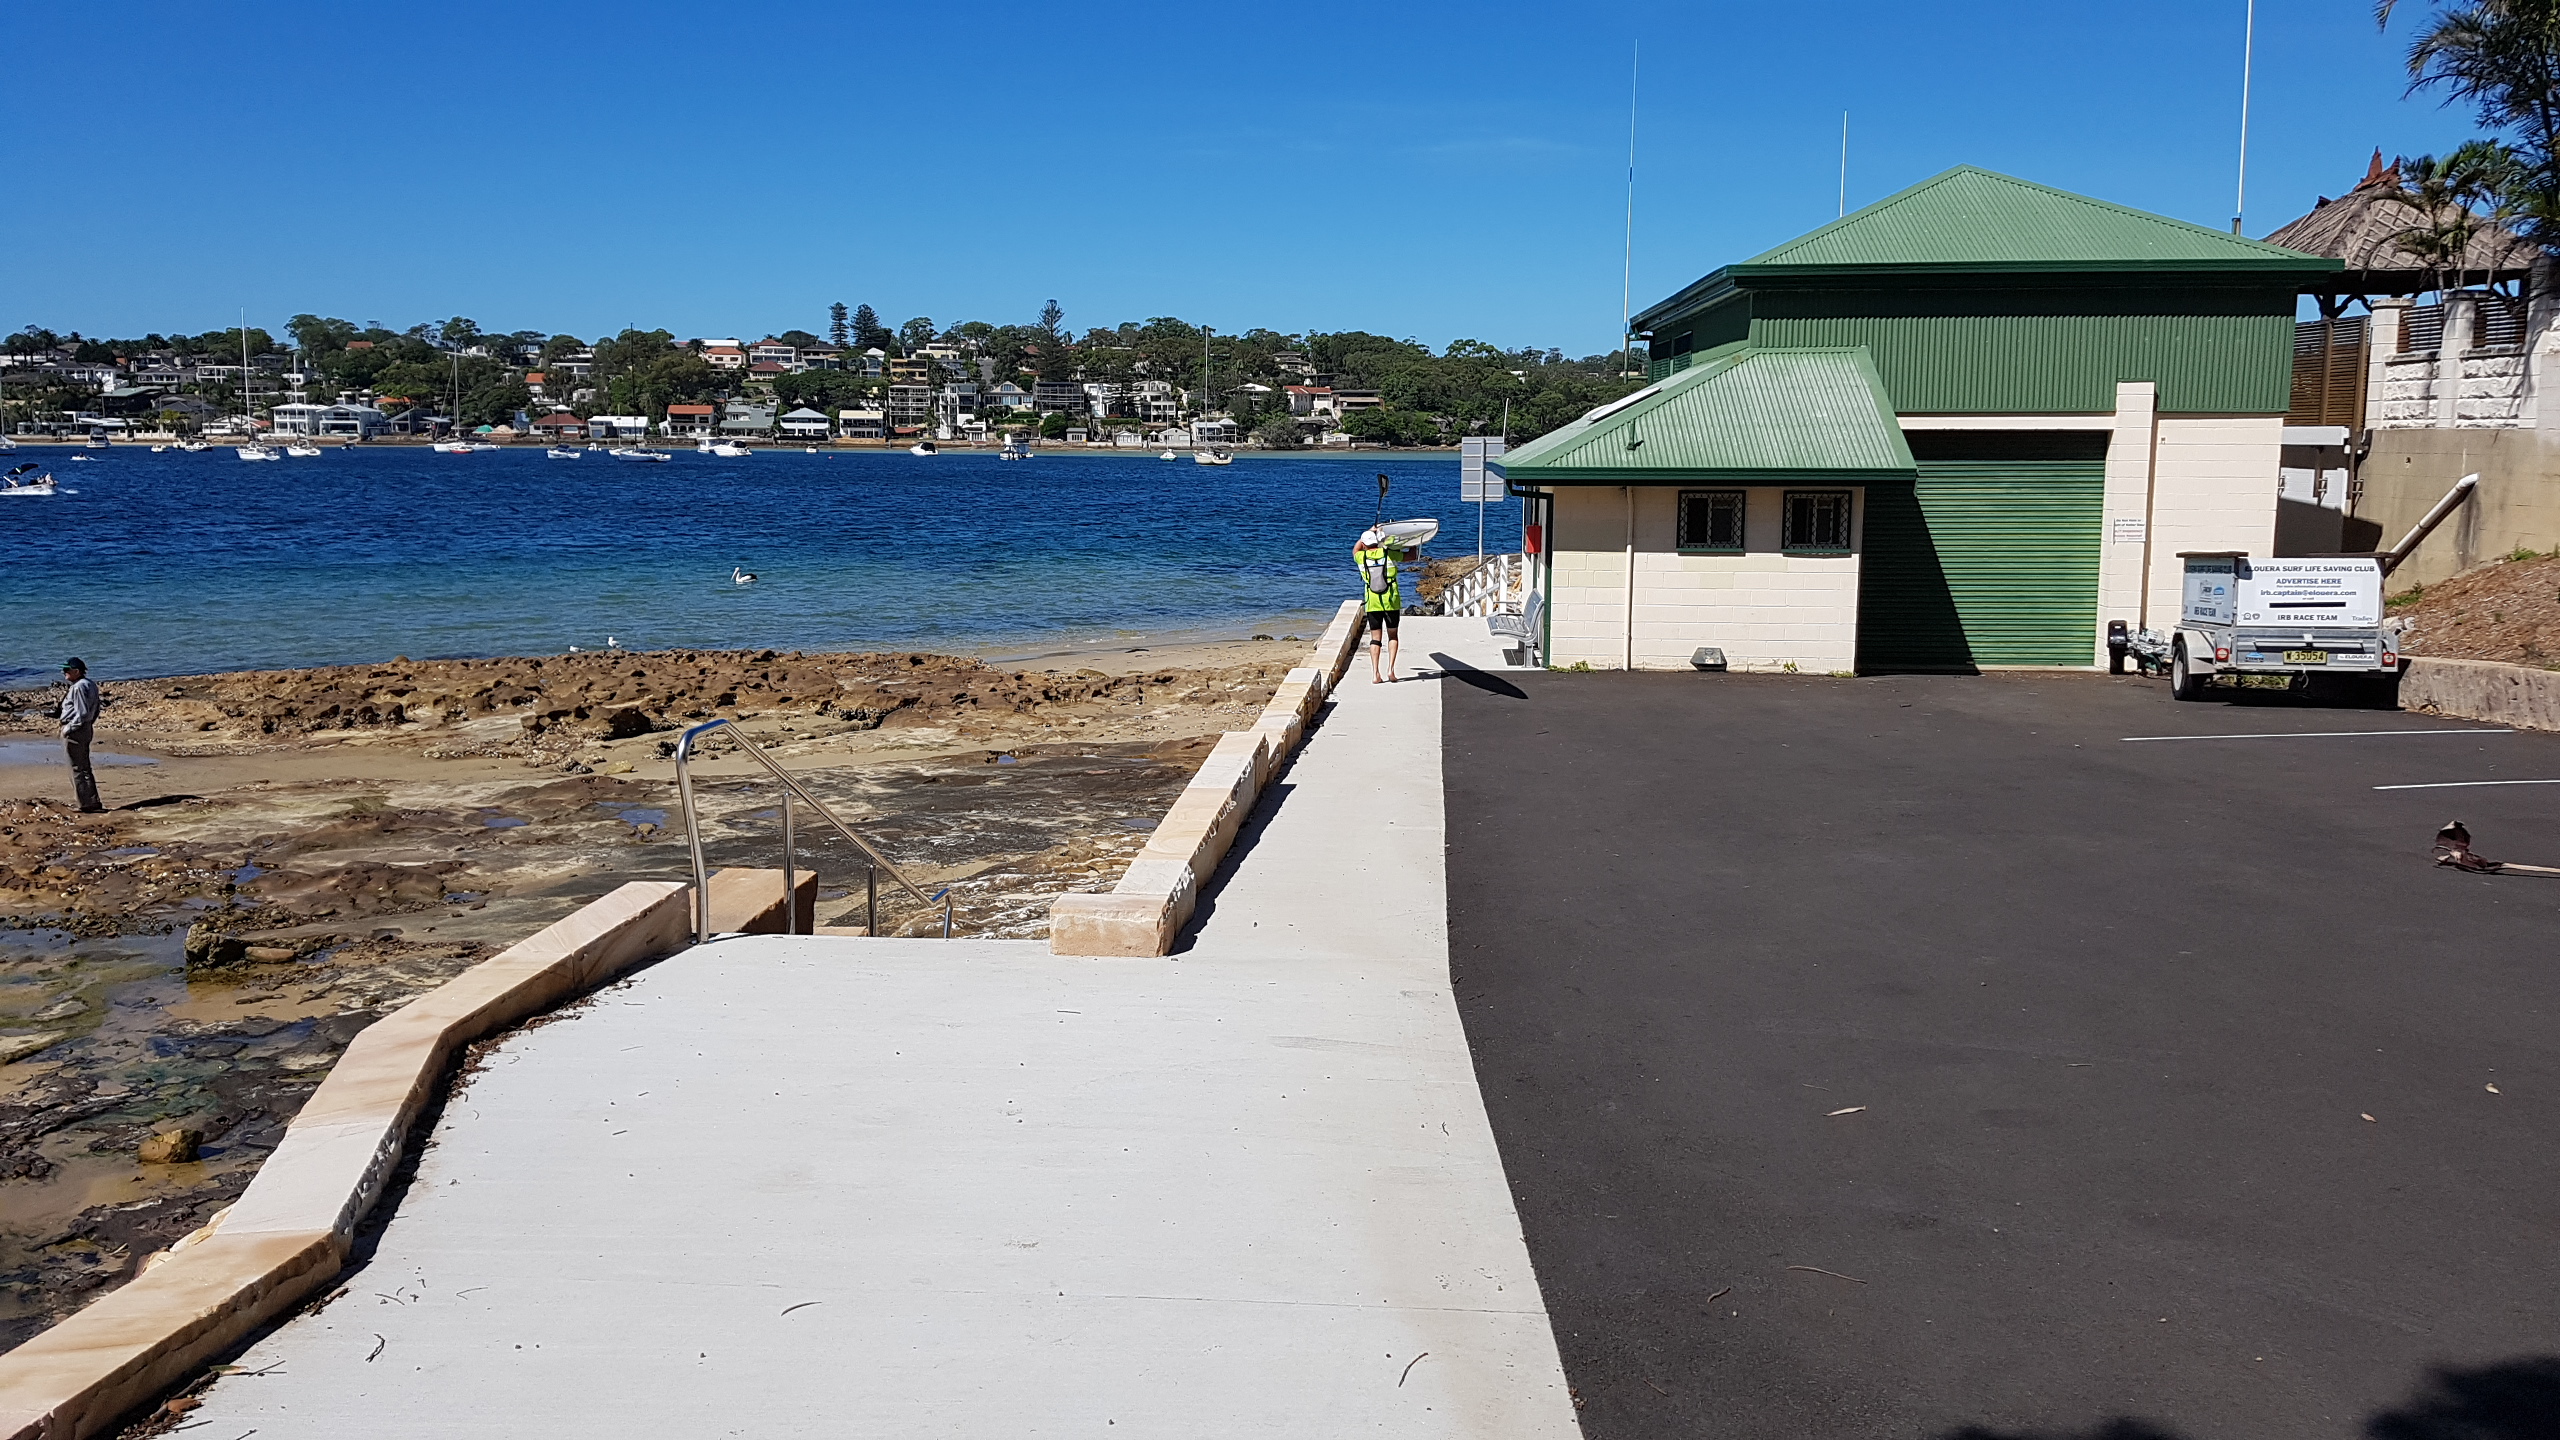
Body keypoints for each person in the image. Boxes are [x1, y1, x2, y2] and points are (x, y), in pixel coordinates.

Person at [1353, 528, 1416, 683]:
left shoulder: (1361, 557)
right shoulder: (1388, 553)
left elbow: (1355, 549)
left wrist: (1369, 530)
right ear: (1376, 542)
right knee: (1393, 635)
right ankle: (1391, 671)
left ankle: (1375, 674)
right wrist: (1413, 540)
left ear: (1364, 544)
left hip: (1373, 602)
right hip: (1391, 601)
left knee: (1375, 638)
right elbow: (1412, 556)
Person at [58, 657, 102, 813]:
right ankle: (92, 801)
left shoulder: (78, 687)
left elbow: (81, 713)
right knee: (84, 766)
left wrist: (68, 729)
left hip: (76, 730)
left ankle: (85, 804)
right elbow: (96, 709)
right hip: (86, 728)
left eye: (67, 670)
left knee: (76, 768)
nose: (64, 673)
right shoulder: (91, 684)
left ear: (76, 671)